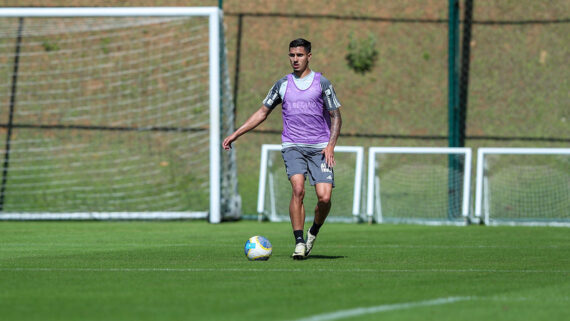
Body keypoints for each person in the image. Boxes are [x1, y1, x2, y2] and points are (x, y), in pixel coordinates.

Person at [222, 38, 342, 260]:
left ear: (309, 56)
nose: (295, 59)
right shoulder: (282, 85)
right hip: (292, 146)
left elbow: (336, 116)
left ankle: (312, 233)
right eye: (292, 55)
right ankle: (299, 242)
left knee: (324, 198)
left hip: (319, 148)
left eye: (299, 55)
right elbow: (262, 112)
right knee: (298, 189)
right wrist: (236, 133)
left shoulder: (322, 83)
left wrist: (331, 145)